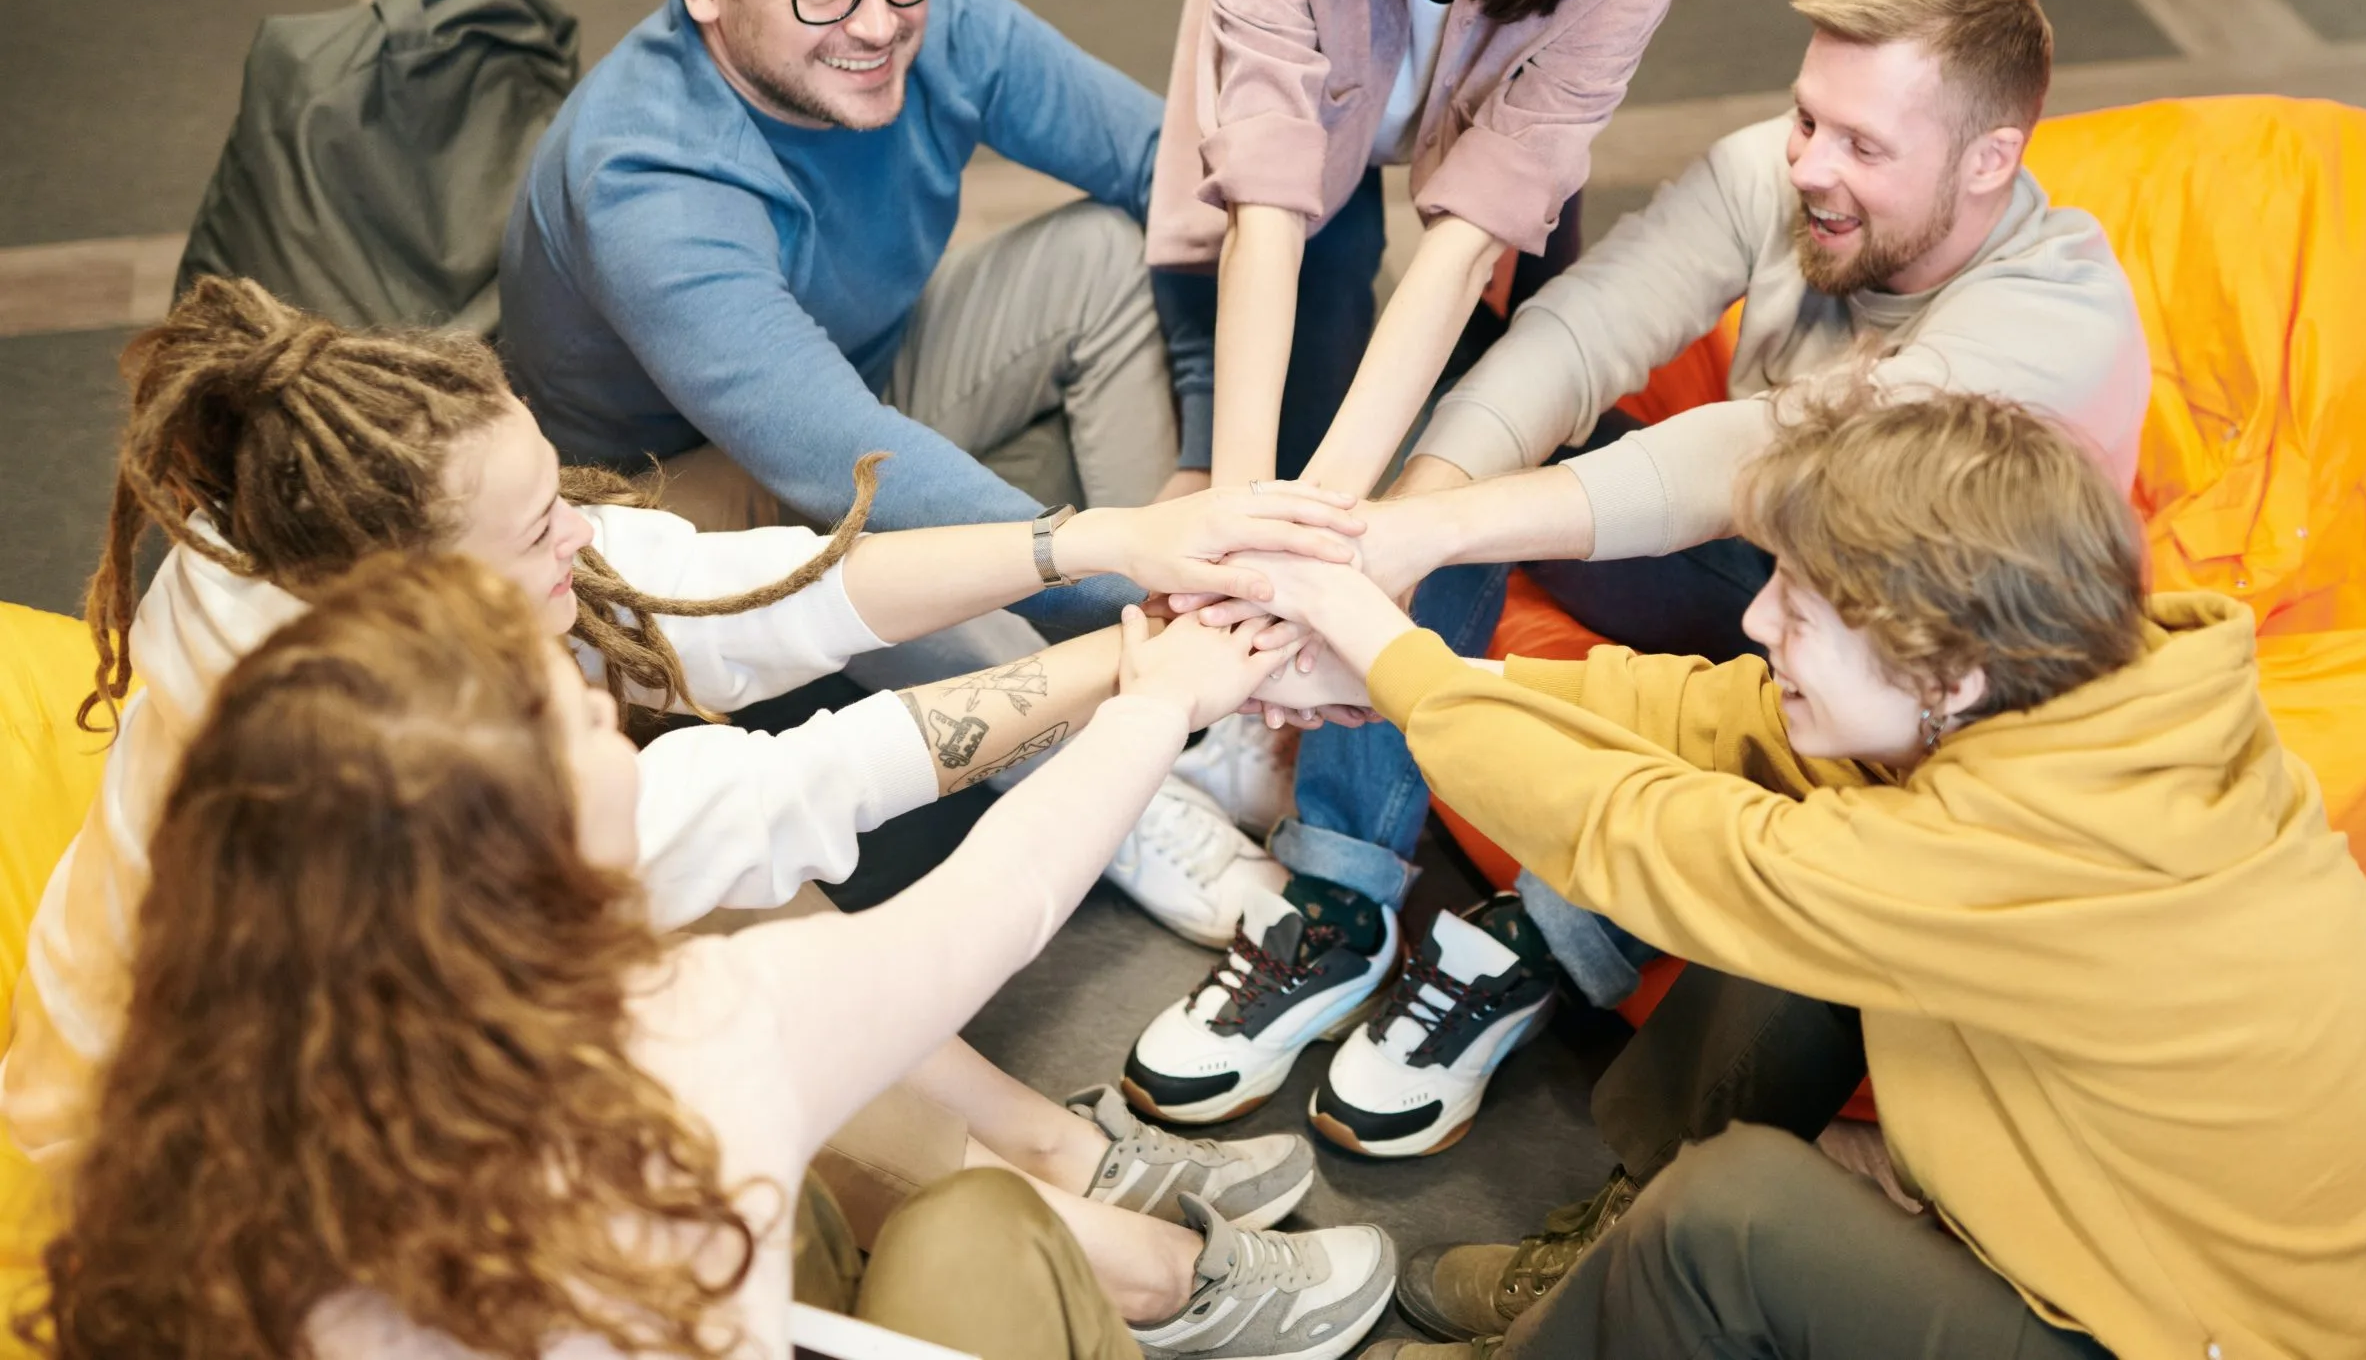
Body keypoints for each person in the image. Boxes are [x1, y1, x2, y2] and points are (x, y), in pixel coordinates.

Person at [0, 277, 1377, 1346]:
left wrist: (1098, 545)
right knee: (947, 1204)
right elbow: (950, 880)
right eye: (572, 709)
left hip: (255, 1152)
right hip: (172, 1127)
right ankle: (1132, 1257)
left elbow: (714, 601)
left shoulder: (323, 643)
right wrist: (1153, 684)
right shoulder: (668, 1055)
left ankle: (1059, 1158)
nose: (586, 546)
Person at [1121, 0, 2154, 1161]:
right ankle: (1338, 895)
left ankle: (1545, 942)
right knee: (1466, 416)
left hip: (1918, 675)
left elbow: (1759, 452)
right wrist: (1401, 522)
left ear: (1991, 160)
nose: (1810, 166)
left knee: (1786, 700)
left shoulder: (2052, 328)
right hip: (1772, 583)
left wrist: (1430, 530)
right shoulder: (1781, 180)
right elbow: (1583, 330)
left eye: (1863, 147)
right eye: (1805, 118)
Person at [1231, 390, 2366, 1360]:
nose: (1759, 621)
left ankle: (1610, 1322)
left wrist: (1388, 649)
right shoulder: (2088, 690)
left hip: (2221, 1345)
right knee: (1790, 935)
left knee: (1738, 1218)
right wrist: (1414, 683)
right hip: (2178, 1254)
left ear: (1949, 677)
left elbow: (1649, 835)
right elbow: (1721, 719)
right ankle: (1606, 1279)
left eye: (1803, 607)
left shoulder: (2030, 852)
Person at [1116, 0, 1688, 963]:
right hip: (1291, 81)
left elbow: (1469, 232)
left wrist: (1328, 544)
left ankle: (1336, 821)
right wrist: (1245, 517)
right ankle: (1276, 725)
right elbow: (1264, 186)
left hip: (1498, 161)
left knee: (1483, 390)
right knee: (1303, 268)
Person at [501, 0, 1180, 684]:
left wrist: (1203, 481)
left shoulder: (933, 15)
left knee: (1112, 248)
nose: (878, 24)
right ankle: (1138, 747)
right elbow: (837, 460)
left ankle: (1171, 641)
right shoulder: (643, 175)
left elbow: (1175, 174)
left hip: (862, 375)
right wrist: (1125, 580)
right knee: (853, 523)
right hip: (675, 490)